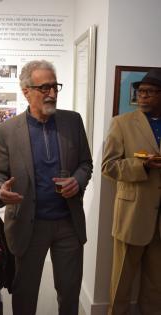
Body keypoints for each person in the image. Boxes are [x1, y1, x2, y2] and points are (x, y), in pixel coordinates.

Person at [0, 60, 93, 315]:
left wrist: (77, 181)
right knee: (25, 294)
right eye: (44, 87)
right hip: (28, 223)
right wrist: (0, 190)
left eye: (55, 86)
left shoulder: (72, 121)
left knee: (69, 293)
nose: (52, 93)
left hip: (68, 222)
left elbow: (85, 163)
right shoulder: (5, 131)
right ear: (26, 91)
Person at [102, 68, 161, 315]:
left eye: (149, 92)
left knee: (156, 284)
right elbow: (108, 166)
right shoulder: (122, 123)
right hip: (133, 215)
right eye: (141, 92)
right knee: (122, 283)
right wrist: (142, 165)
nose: (143, 96)